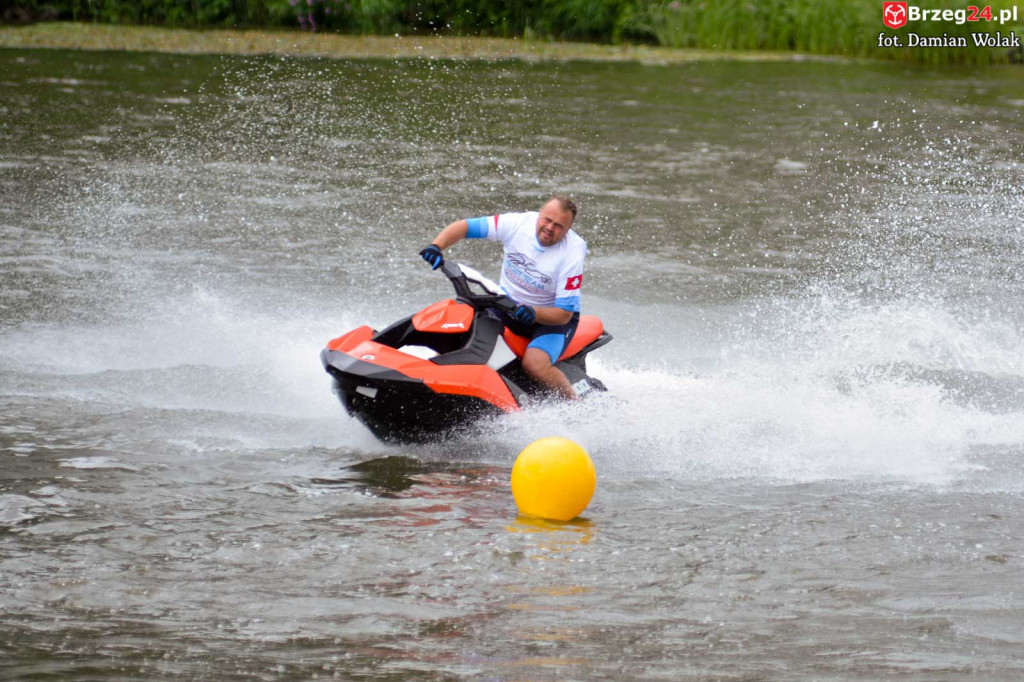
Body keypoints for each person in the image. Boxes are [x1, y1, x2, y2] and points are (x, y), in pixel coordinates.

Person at [419, 195, 586, 400]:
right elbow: (464, 227)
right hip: (508, 306)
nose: (550, 228)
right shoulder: (517, 224)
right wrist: (436, 246)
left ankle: (575, 404)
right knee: (461, 334)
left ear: (568, 230)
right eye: (547, 220)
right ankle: (428, 381)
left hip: (551, 320)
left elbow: (563, 315)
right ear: (539, 214)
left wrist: (533, 313)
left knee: (534, 365)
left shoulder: (573, 252)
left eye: (558, 226)